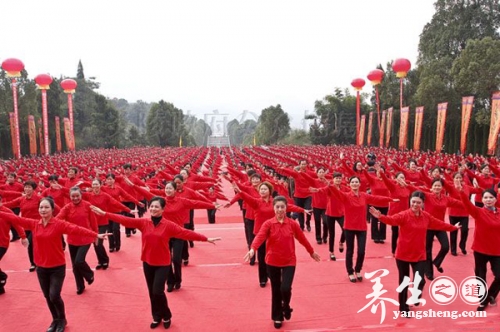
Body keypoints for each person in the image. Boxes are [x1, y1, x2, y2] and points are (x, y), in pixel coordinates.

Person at [90, 196, 221, 329]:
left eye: (156, 207)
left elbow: (185, 233)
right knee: (151, 292)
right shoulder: (144, 223)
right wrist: (105, 214)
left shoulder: (168, 225)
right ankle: (156, 316)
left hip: (163, 263)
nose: (153, 209)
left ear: (163, 209)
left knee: (157, 291)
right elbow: (126, 220)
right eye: (151, 206)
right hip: (147, 262)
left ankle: (166, 315)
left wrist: (205, 239)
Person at [0, 197, 107, 332]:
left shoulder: (58, 224)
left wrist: (95, 235)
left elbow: (77, 229)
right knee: (47, 296)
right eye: (41, 207)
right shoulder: (34, 224)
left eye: (46, 207)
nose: (43, 210)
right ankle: (55, 320)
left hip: (57, 267)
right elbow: (16, 219)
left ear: (52, 209)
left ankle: (62, 319)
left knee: (54, 295)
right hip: (41, 267)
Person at [368, 191, 459, 315]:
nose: (415, 204)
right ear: (410, 201)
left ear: (423, 204)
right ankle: (403, 308)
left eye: (418, 202)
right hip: (403, 254)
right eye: (413, 202)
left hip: (419, 254)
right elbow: (392, 220)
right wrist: (381, 217)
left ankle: (416, 296)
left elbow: (439, 224)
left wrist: (453, 227)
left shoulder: (426, 217)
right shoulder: (404, 215)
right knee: (404, 282)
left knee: (420, 280)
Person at [244, 196, 320, 329]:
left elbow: (302, 239)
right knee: (276, 289)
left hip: (289, 261)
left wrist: (311, 252)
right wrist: (252, 249)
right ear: (274, 208)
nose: (280, 210)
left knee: (285, 288)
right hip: (272, 261)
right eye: (277, 207)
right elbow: (260, 237)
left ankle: (286, 306)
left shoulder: (292, 224)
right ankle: (277, 316)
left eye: (282, 207)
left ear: (286, 208)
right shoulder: (268, 224)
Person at [328, 176, 396, 282]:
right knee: (350, 251)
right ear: (349, 184)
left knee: (361, 251)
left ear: (360, 184)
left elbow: (376, 198)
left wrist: (390, 199)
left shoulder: (364, 196)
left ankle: (358, 269)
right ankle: (350, 272)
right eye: (353, 182)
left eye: (356, 182)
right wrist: (330, 185)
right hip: (349, 227)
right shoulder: (345, 196)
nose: (355, 183)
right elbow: (336, 192)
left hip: (361, 227)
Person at [458, 188, 500, 311]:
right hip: (480, 249)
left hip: (497, 250)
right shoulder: (478, 212)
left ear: (496, 199)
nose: (488, 200)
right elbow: (466, 204)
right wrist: (461, 192)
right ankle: (482, 300)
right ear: (482, 199)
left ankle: (490, 296)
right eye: (486, 197)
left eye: (491, 197)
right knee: (480, 276)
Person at [56, 187, 98, 294]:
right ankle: (80, 286)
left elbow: (93, 222)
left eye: (77, 196)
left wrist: (96, 235)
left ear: (81, 195)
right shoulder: (67, 207)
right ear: (70, 197)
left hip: (86, 238)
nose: (75, 198)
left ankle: (89, 275)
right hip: (72, 239)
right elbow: (58, 218)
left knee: (79, 261)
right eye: (73, 196)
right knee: (75, 266)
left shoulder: (87, 206)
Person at [0, 193, 28, 294]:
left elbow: (17, 224)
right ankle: (0, 286)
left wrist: (23, 237)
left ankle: (2, 276)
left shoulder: (7, 212)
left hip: (2, 243)